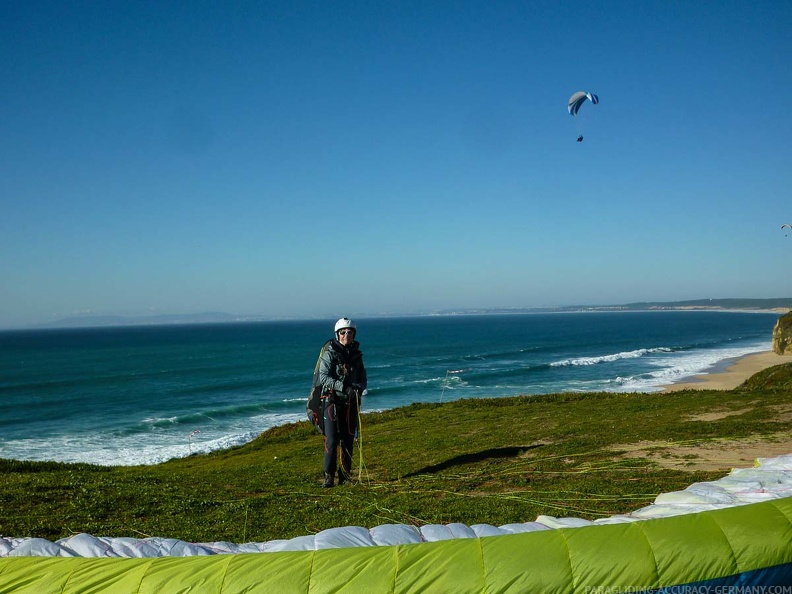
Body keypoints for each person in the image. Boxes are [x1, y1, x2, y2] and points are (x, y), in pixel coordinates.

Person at [318, 317, 367, 488]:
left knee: (348, 439)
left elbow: (363, 378)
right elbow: (323, 378)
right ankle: (329, 476)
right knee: (331, 439)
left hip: (350, 403)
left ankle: (345, 474)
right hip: (332, 402)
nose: (347, 335)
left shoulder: (357, 355)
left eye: (350, 332)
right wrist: (343, 386)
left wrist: (358, 389)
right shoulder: (329, 353)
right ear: (337, 335)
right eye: (343, 332)